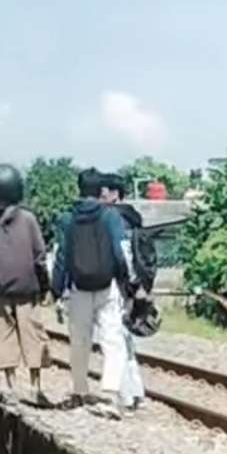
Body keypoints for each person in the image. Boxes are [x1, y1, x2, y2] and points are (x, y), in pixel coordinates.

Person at [0, 164, 52, 404]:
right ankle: (36, 387)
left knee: (3, 335)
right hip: (28, 289)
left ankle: (12, 387)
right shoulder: (28, 219)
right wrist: (45, 286)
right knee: (33, 335)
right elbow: (40, 256)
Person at [52, 168, 129, 415]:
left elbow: (61, 257)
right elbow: (120, 253)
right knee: (113, 340)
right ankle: (110, 394)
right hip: (107, 287)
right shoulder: (110, 217)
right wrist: (127, 285)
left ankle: (80, 390)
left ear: (80, 188)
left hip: (78, 288)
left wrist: (56, 289)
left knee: (79, 341)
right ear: (101, 191)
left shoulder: (67, 219)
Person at [101, 173, 158, 411]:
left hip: (117, 285)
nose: (100, 196)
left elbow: (120, 256)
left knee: (114, 340)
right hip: (133, 286)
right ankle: (136, 392)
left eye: (103, 192)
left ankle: (125, 396)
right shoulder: (133, 217)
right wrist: (140, 287)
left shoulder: (113, 219)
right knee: (125, 339)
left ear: (115, 194)